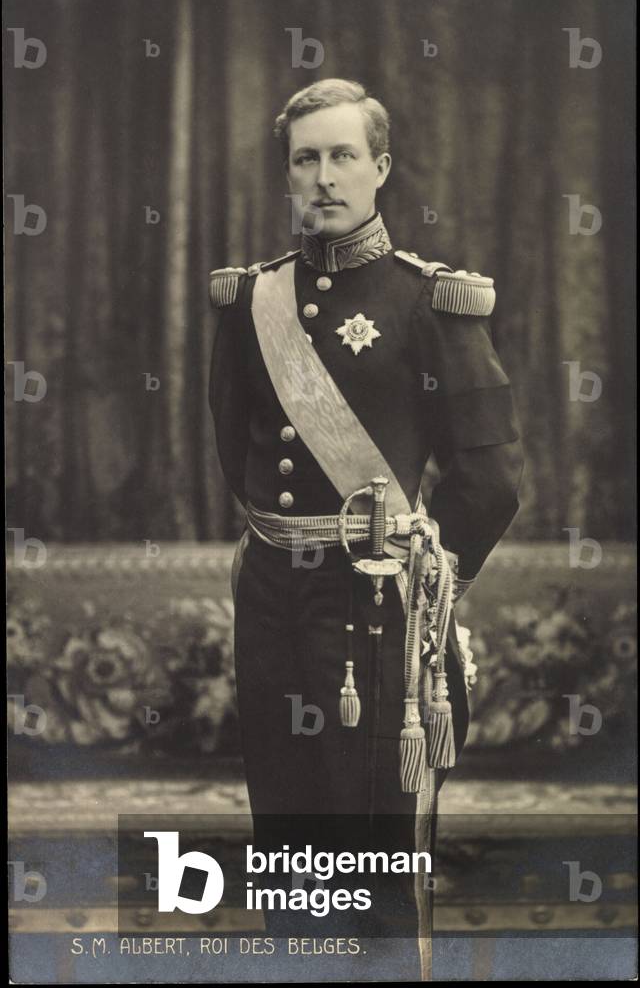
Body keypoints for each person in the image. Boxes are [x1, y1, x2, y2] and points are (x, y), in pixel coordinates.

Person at [208, 78, 524, 981]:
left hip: (376, 602)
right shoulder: (250, 301)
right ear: (288, 175)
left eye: (344, 155)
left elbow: (492, 480)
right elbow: (234, 450)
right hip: (270, 591)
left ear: (381, 167)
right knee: (289, 836)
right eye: (305, 158)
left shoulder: (431, 301)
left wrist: (426, 576)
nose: (325, 176)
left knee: (373, 848)